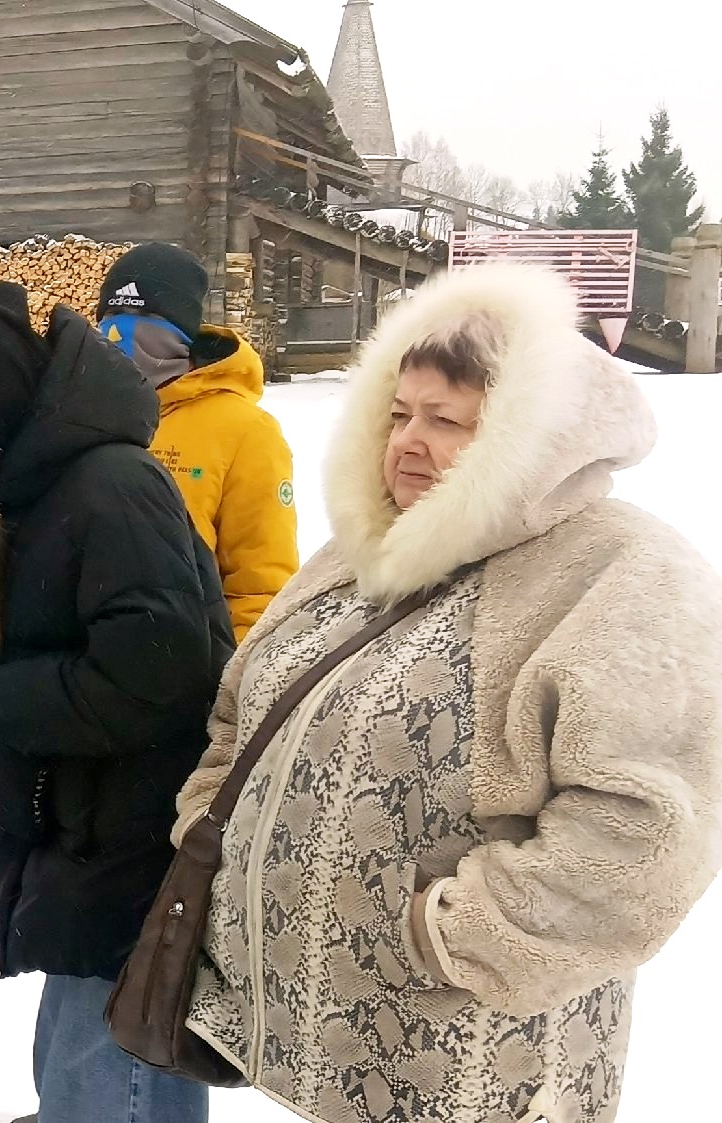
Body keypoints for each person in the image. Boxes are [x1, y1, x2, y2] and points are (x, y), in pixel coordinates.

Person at [174, 264, 722, 1123]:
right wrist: (212, 824)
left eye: (448, 420)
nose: (407, 442)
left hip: (474, 1065)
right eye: (398, 414)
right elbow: (239, 712)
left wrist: (463, 934)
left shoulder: (623, 573)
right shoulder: (362, 557)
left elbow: (646, 832)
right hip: (328, 1046)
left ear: (532, 436)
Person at [0, 282, 232, 1123]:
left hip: (130, 849)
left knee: (110, 1083)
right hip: (93, 841)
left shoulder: (108, 485)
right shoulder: (46, 485)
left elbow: (157, 672)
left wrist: (0, 699)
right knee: (82, 1071)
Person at [96, 242, 297, 639]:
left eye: (142, 315)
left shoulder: (245, 430)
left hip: (191, 665)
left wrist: (229, 681)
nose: (119, 331)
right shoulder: (87, 414)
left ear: (181, 329)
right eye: (110, 315)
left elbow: (261, 583)